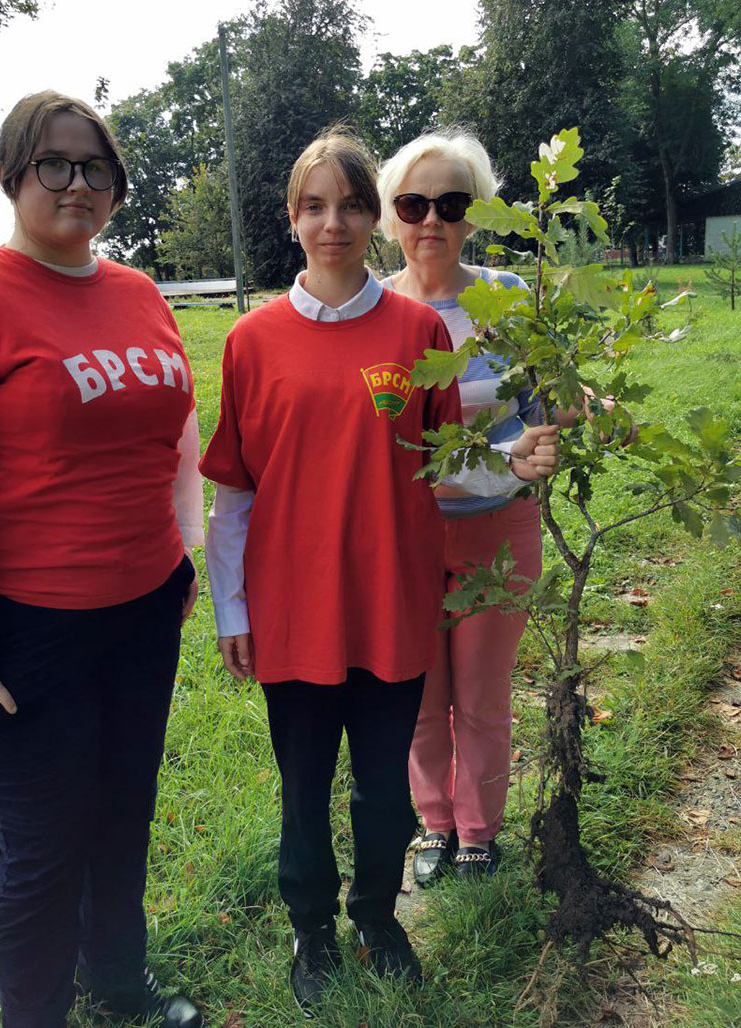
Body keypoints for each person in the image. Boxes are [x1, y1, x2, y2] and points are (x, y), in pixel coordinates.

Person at [0, 91, 205, 1028]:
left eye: (97, 167)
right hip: (22, 631)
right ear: (14, 172)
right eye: (54, 163)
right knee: (46, 841)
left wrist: (183, 557)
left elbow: (173, 432)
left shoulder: (136, 293)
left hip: (140, 608)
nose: (78, 183)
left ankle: (121, 992)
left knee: (122, 814)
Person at [199, 127, 558, 1014]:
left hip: (395, 605)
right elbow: (234, 497)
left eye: (352, 205)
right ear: (291, 220)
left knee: (381, 786)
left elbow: (442, 461)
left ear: (373, 218)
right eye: (315, 206)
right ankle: (312, 929)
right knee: (306, 783)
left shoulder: (417, 329)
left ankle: (377, 915)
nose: (335, 223)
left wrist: (507, 464)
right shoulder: (252, 342)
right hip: (292, 617)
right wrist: (230, 611)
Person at [377, 130, 602, 884]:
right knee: (417, 694)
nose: (430, 219)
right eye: (413, 203)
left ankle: (478, 829)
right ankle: (433, 823)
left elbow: (556, 395)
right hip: (404, 535)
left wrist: (592, 412)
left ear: (476, 214)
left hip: (497, 531)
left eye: (451, 202)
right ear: (391, 216)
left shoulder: (507, 299)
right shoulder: (373, 313)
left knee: (479, 692)